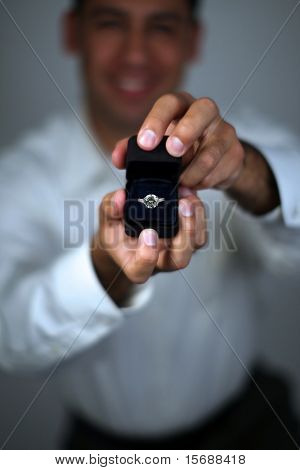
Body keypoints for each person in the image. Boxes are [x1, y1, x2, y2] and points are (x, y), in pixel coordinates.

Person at [0, 0, 299, 450]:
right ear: (72, 32)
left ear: (191, 40)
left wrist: (248, 173)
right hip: (99, 449)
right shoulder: (20, 176)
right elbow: (9, 338)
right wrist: (103, 275)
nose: (135, 54)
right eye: (110, 23)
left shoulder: (242, 140)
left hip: (251, 428)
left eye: (161, 27)